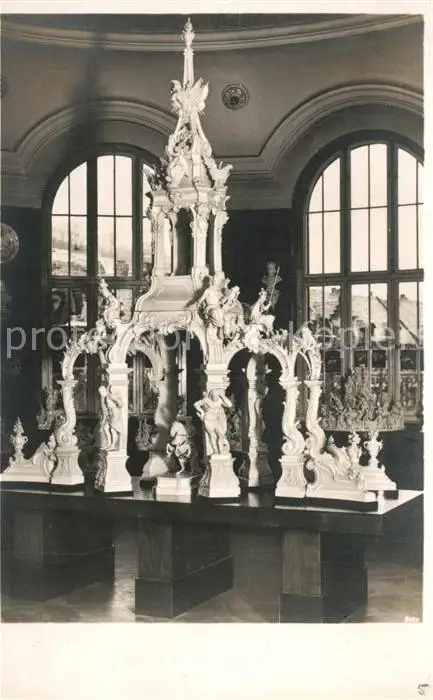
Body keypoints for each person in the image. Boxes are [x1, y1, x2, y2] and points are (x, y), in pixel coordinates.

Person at [194, 390, 232, 456]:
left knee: (221, 434)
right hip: (208, 419)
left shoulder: (220, 400)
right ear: (211, 396)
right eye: (213, 396)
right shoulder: (206, 400)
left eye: (216, 396)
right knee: (211, 435)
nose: (214, 397)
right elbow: (196, 404)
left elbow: (229, 404)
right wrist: (202, 412)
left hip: (217, 420)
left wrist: (223, 396)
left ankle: (221, 451)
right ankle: (215, 451)